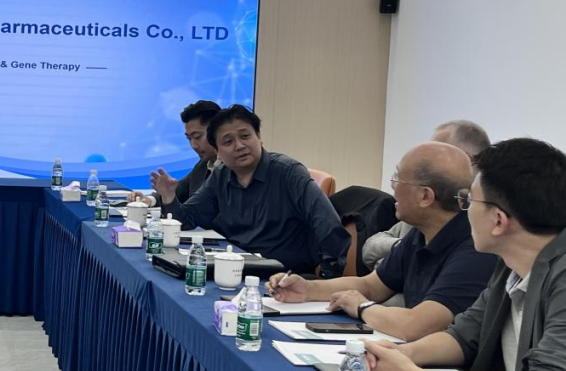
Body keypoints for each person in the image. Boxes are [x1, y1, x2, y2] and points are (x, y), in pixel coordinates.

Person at [365, 138, 566, 371]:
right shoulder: (511, 265)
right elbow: (464, 335)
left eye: (469, 201)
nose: (464, 211)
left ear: (498, 221)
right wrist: (400, 354)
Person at [269, 142, 498, 341]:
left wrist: (362, 307)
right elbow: (372, 286)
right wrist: (307, 289)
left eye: (397, 178)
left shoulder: (474, 250)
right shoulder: (421, 233)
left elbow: (417, 326)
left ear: (425, 196)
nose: (392, 187)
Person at [152, 105, 350, 277]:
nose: (240, 146)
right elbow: (188, 219)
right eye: (228, 142)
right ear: (217, 151)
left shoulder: (288, 172)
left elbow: (327, 223)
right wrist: (168, 196)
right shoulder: (221, 175)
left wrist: (326, 277)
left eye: (245, 136)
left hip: (283, 275)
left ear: (259, 137)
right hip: (236, 267)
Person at [363, 119, 491, 269]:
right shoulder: (420, 209)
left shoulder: (476, 219)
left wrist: (400, 258)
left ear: (467, 159)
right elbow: (370, 247)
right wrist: (402, 250)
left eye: (437, 151)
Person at [130, 100, 221, 206]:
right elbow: (176, 192)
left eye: (197, 137)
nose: (193, 145)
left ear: (217, 131)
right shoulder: (203, 166)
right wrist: (148, 200)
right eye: (189, 139)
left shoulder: (232, 170)